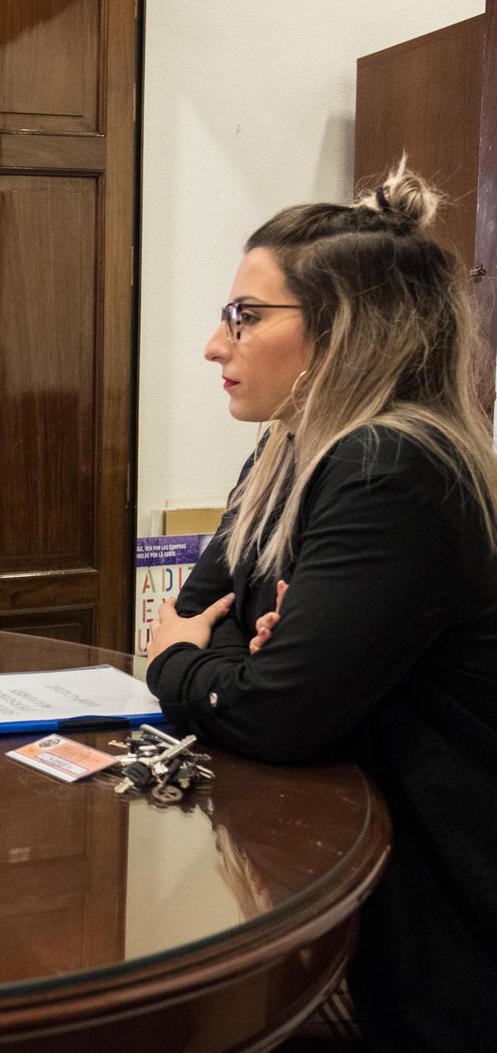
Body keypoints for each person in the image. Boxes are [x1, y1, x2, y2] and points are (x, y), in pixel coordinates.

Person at [145, 165, 497, 1050]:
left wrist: (189, 666)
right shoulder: (287, 450)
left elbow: (274, 707)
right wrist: (256, 661)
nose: (213, 346)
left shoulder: (393, 466)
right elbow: (206, 608)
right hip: (349, 868)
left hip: (441, 920)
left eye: (244, 316)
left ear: (342, 329)